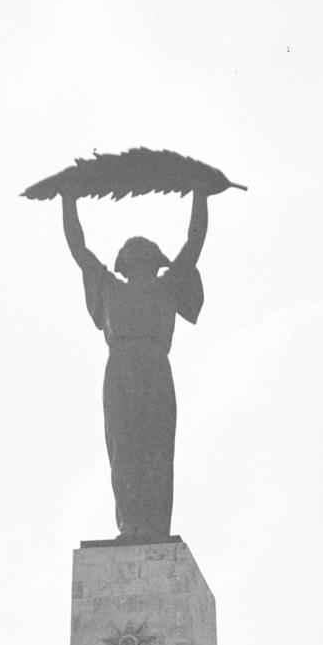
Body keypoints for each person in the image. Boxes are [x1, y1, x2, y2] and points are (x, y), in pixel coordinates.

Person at [60, 186, 211, 540]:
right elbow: (78, 249)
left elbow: (194, 243)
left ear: (154, 263)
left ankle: (155, 525)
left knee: (157, 448)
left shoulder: (166, 286)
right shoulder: (110, 288)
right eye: (134, 259)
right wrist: (69, 199)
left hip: (155, 367)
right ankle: (130, 524)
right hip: (121, 368)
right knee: (123, 447)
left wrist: (200, 195)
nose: (139, 264)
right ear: (125, 264)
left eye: (145, 259)